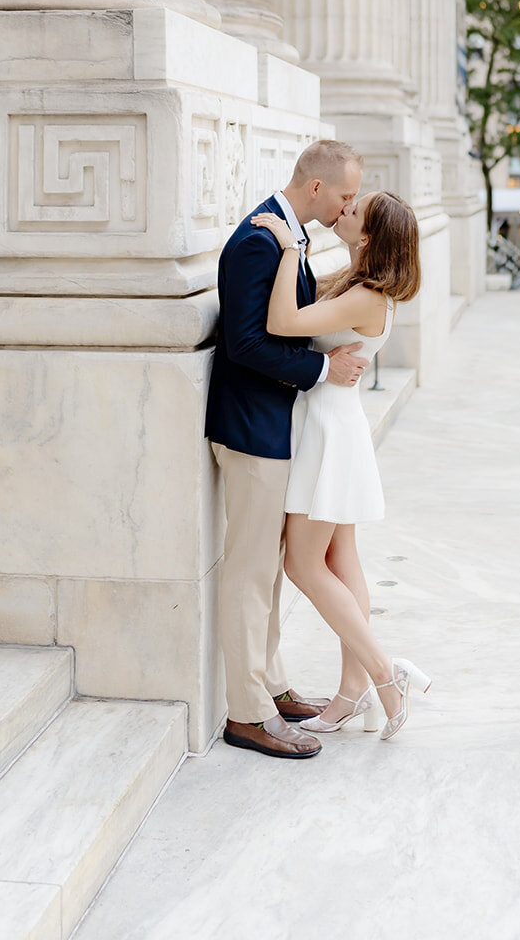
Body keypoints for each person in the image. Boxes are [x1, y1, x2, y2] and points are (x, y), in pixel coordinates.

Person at [206, 139, 369, 759]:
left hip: (275, 427)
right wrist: (324, 369)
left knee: (268, 572)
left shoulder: (289, 237)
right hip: (251, 430)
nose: (349, 205)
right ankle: (246, 715)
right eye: (346, 195)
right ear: (316, 188)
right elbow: (246, 344)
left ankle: (270, 689)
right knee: (249, 573)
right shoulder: (257, 240)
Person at [250, 190, 432, 740]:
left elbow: (282, 322)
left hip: (329, 429)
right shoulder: (359, 285)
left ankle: (383, 670)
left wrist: (287, 247)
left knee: (303, 566)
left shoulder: (368, 297)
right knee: (341, 556)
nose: (346, 207)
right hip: (332, 423)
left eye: (358, 210)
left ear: (371, 237)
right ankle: (354, 690)